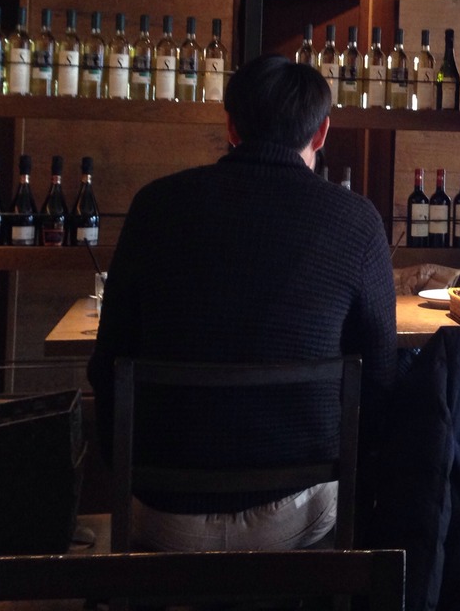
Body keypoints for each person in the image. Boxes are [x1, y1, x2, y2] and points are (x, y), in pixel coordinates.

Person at [87, 53, 396, 552]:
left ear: (230, 126)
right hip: (296, 507)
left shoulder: (154, 205)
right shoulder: (357, 221)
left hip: (162, 507)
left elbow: (107, 364)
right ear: (321, 133)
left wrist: (125, 475)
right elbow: (380, 378)